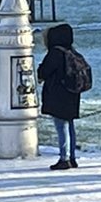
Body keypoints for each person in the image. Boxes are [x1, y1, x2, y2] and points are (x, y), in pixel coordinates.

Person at [38, 21, 90, 169]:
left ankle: (64, 158)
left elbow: (44, 72)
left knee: (61, 126)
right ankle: (72, 157)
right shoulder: (72, 52)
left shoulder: (55, 53)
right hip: (72, 93)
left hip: (58, 94)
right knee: (70, 125)